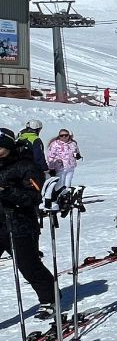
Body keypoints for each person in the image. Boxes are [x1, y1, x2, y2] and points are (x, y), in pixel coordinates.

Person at [0, 133, 59, 320]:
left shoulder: (26, 166)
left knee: (28, 265)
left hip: (20, 224)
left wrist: (6, 191)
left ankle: (50, 299)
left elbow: (34, 197)